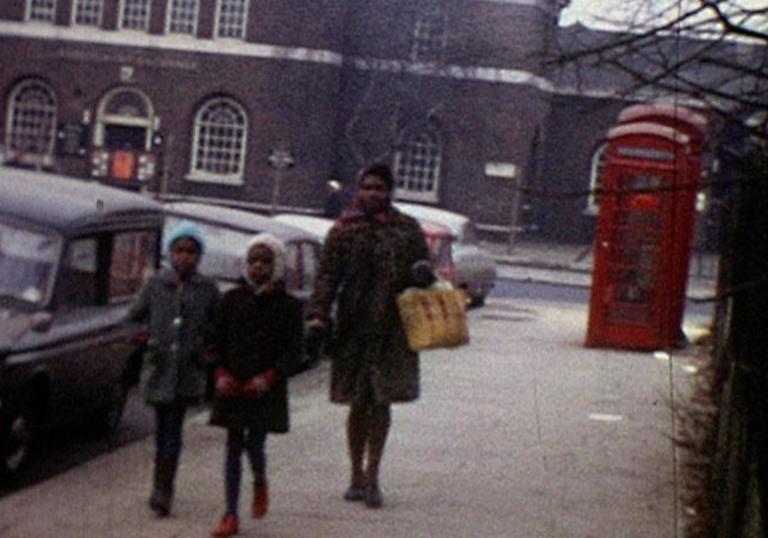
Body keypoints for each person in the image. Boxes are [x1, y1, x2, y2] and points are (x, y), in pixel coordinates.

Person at [305, 162, 435, 509]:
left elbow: (423, 268)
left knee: (382, 401)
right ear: (358, 190)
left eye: (379, 188)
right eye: (367, 188)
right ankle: (355, 474)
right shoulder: (344, 231)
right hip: (354, 327)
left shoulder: (407, 229)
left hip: (393, 329)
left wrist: (423, 273)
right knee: (358, 402)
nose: (372, 194)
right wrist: (318, 316)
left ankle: (374, 475)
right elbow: (327, 278)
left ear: (390, 192)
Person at [208, 233, 303, 537]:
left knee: (255, 444)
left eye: (265, 261)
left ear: (276, 265)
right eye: (253, 261)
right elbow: (213, 342)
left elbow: (294, 352)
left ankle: (260, 479)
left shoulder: (288, 306)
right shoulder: (231, 300)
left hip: (264, 389)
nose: (258, 267)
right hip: (234, 385)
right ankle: (230, 513)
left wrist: (270, 377)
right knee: (233, 445)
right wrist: (220, 373)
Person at [128, 220, 220, 517]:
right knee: (161, 429)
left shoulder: (207, 288)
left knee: (173, 430)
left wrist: (206, 349)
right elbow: (134, 315)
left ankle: (164, 490)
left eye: (191, 252)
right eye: (179, 251)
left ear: (199, 256)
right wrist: (144, 335)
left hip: (187, 372)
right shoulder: (156, 284)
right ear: (170, 253)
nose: (185, 257)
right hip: (159, 368)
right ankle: (159, 483)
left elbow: (216, 324)